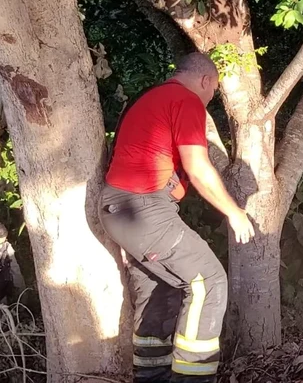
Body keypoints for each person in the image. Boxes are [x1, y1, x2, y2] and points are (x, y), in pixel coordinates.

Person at [98, 52, 255, 383]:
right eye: (213, 92)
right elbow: (198, 167)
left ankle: (150, 376)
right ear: (205, 81)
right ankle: (194, 378)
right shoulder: (185, 100)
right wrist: (234, 212)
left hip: (120, 210)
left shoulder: (151, 99)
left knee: (163, 287)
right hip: (143, 208)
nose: (210, 98)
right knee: (209, 281)